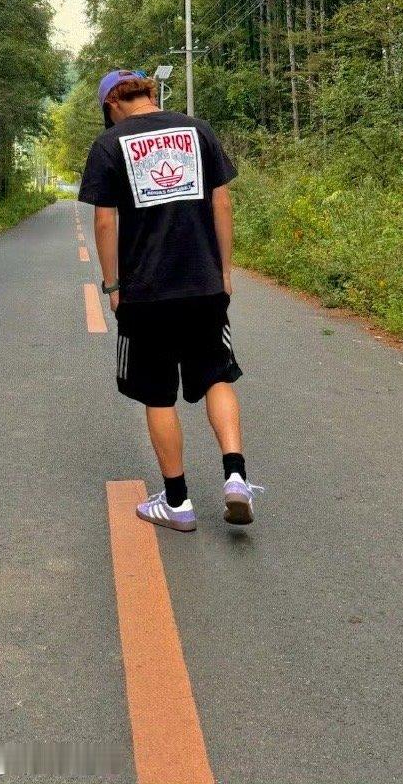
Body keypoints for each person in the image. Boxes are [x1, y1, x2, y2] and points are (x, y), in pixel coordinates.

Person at [78, 69, 263, 530]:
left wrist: (112, 286)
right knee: (218, 375)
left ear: (111, 105)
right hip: (203, 283)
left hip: (145, 292)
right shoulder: (198, 130)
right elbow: (222, 204)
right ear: (148, 92)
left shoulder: (109, 144)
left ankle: (178, 503)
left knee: (158, 394)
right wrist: (224, 271)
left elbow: (105, 222)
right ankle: (236, 477)